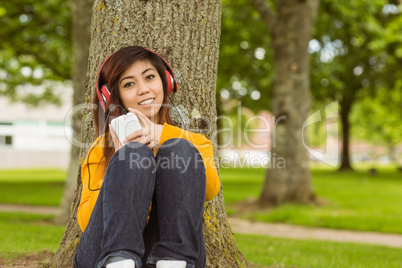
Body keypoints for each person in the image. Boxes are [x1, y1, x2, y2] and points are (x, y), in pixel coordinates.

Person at [73, 46, 221, 268]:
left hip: (169, 254)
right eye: (129, 84)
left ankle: (173, 262)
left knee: (180, 148)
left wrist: (164, 136)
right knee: (134, 154)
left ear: (166, 82)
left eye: (150, 77)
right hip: (102, 254)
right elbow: (86, 222)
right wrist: (120, 161)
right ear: (115, 97)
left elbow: (210, 190)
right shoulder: (100, 148)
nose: (143, 89)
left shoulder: (192, 143)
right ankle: (119, 261)